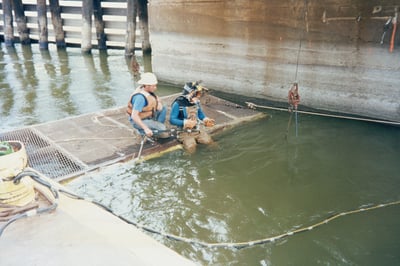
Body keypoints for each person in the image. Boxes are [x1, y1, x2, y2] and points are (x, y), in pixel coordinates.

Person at [169, 81, 216, 153]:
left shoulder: (196, 102)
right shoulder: (178, 104)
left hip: (197, 130)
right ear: (189, 94)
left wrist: (205, 119)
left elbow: (200, 114)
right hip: (184, 132)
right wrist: (185, 122)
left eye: (199, 94)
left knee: (209, 142)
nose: (199, 96)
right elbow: (172, 120)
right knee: (191, 146)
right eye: (197, 94)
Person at [127, 72, 169, 138]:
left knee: (164, 107)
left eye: (155, 85)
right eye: (153, 86)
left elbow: (159, 107)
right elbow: (134, 116)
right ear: (146, 85)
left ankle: (156, 126)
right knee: (162, 129)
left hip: (147, 115)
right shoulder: (140, 98)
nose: (155, 88)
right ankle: (140, 132)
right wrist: (146, 128)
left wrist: (157, 102)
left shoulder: (146, 91)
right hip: (139, 120)